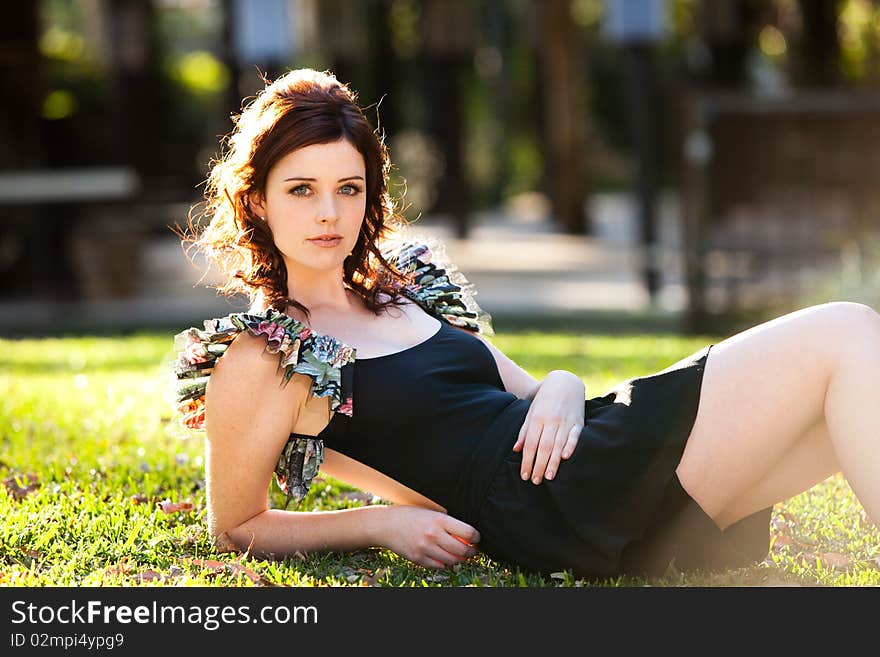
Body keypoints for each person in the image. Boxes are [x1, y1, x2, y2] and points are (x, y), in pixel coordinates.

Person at [171, 68, 879, 580]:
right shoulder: (264, 353)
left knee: (833, 409)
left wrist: (566, 383)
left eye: (347, 189)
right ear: (258, 202)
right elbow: (234, 525)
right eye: (302, 190)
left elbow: (528, 389)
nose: (328, 213)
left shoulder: (406, 289)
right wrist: (383, 523)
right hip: (543, 505)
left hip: (585, 457)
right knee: (847, 329)